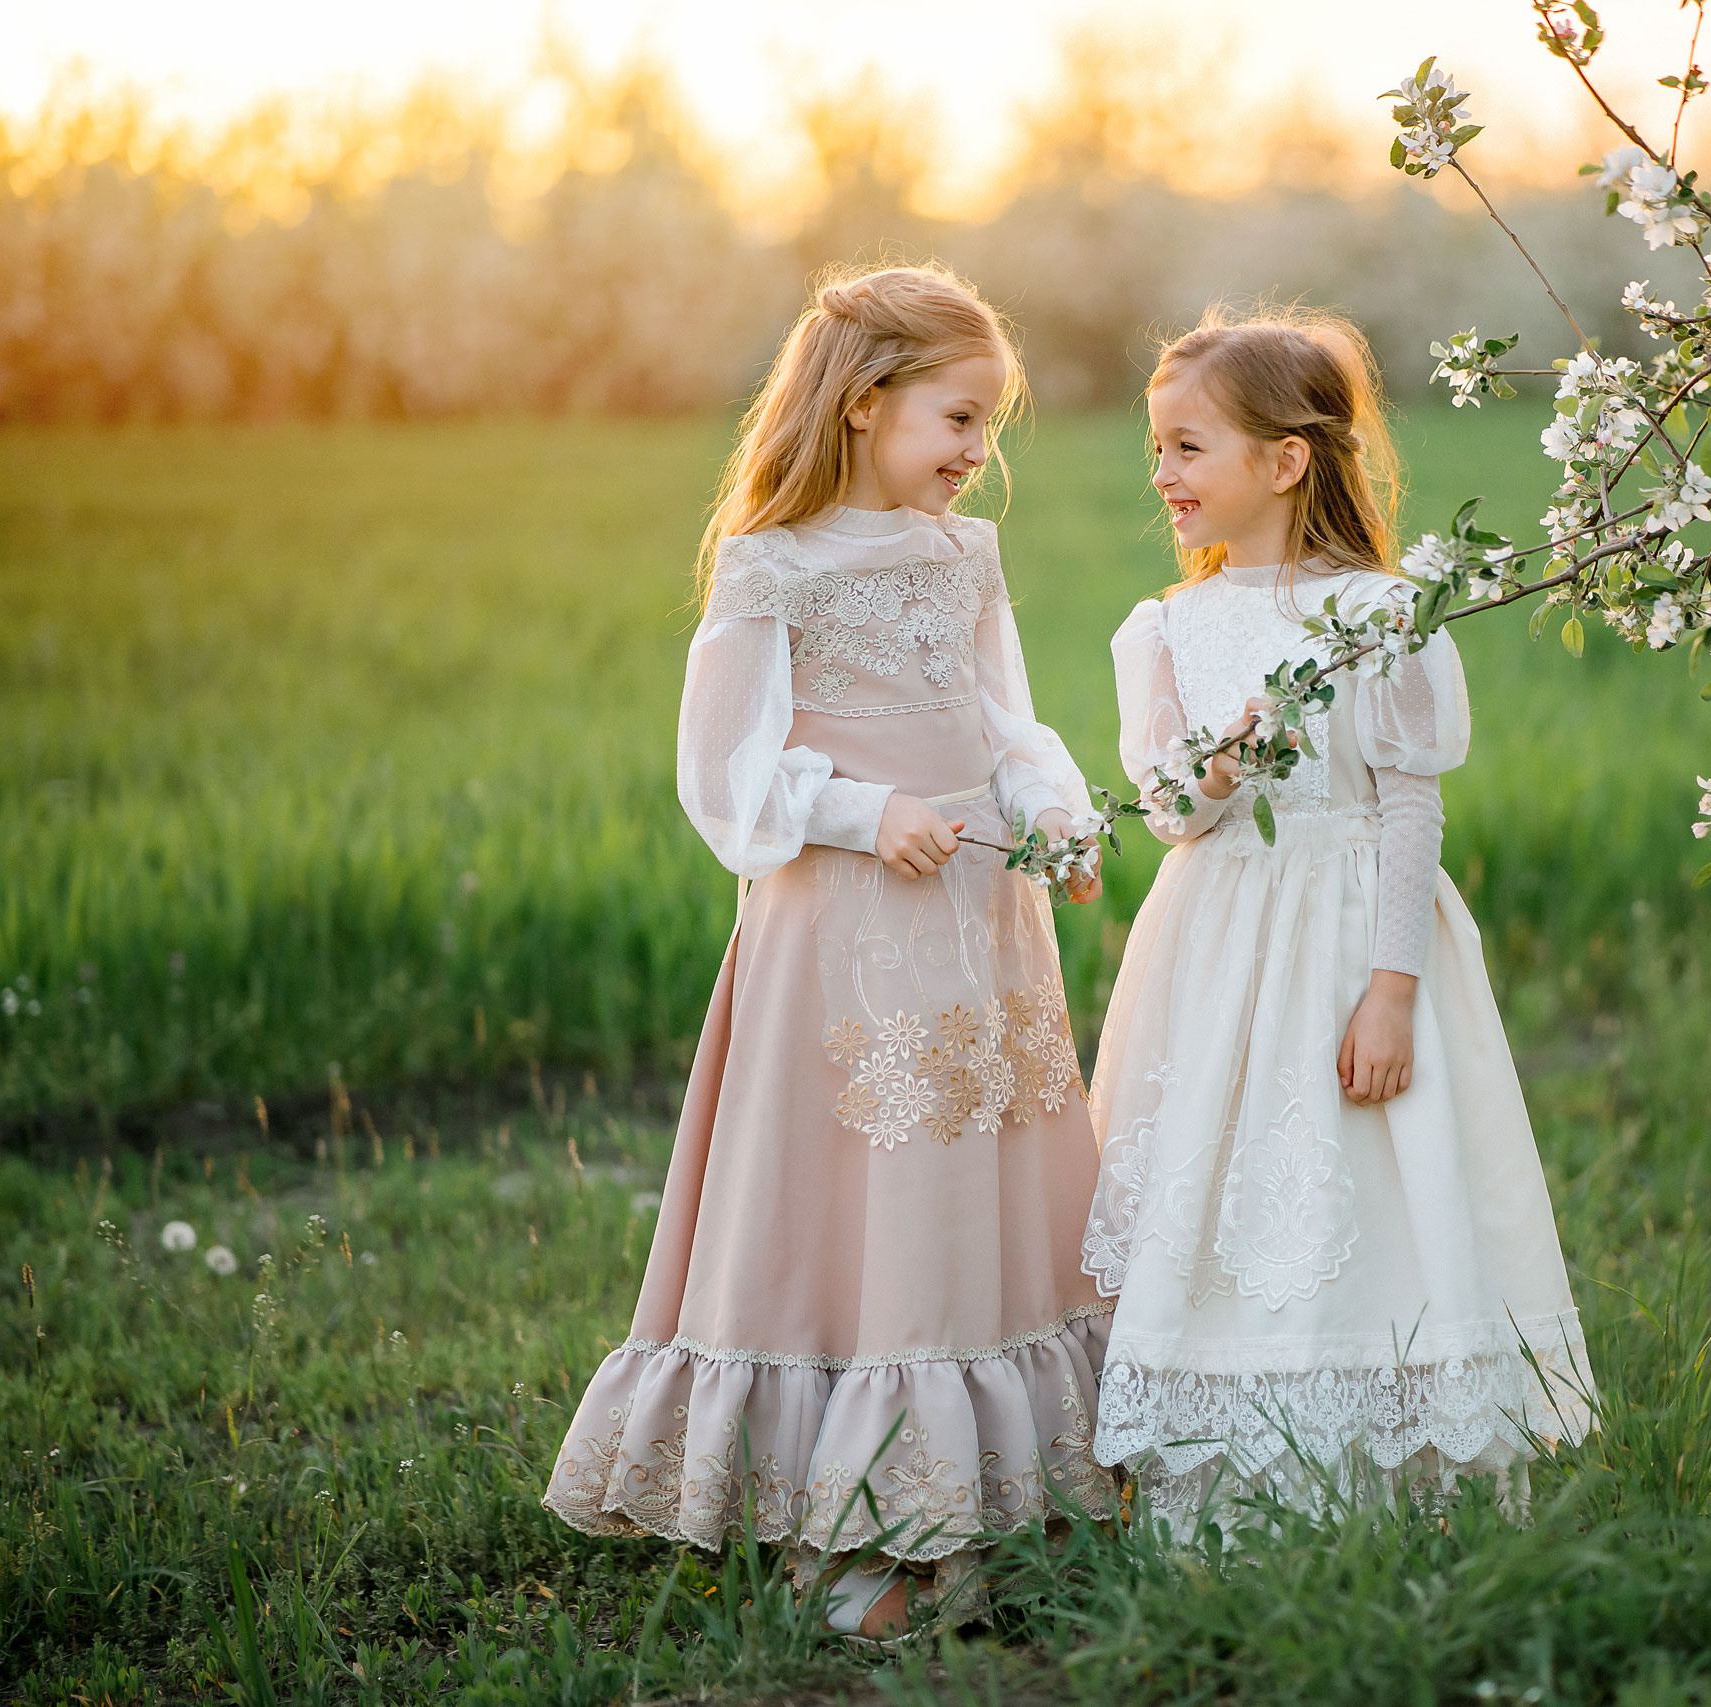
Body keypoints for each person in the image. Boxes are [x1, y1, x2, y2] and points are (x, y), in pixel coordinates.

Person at [544, 264, 1114, 1641]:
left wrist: (1054, 810)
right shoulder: (772, 564)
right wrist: (864, 812)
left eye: (987, 425)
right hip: (850, 927)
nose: (977, 452)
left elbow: (1002, 718)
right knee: (872, 1206)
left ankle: (993, 1495)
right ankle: (859, 1526)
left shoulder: (962, 557)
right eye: (959, 418)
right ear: (865, 402)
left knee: (977, 1189)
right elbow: (724, 771)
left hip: (978, 912)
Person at [1082, 308, 1593, 1536]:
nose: (1162, 475)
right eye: (1157, 450)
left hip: (1355, 933)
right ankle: (1222, 1473)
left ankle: (1392, 1469)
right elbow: (1170, 813)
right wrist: (1218, 767)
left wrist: (1392, 987)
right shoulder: (1167, 629)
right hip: (1217, 947)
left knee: (1371, 1175)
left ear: (1284, 460)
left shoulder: (1379, 614)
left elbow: (1409, 803)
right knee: (1220, 1175)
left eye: (1188, 448)